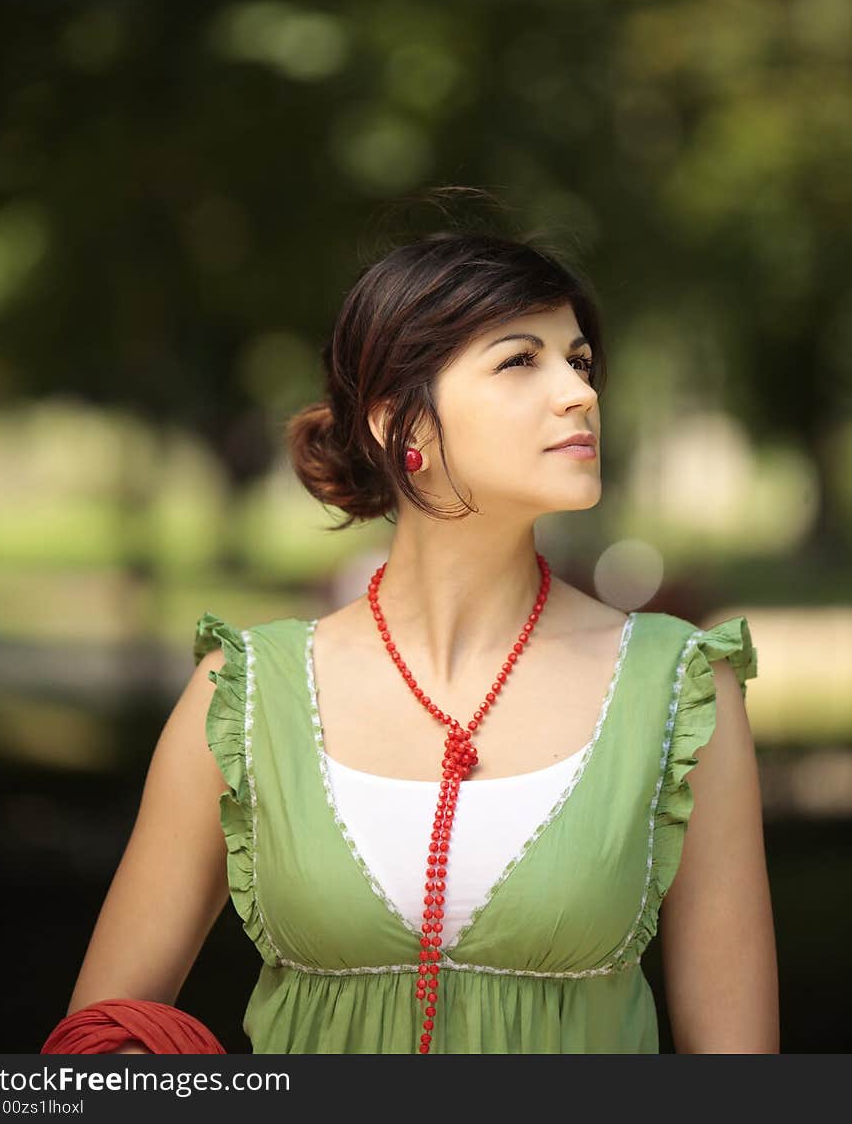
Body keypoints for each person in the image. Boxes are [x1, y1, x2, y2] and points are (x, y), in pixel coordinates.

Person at [64, 227, 780, 1053]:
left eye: (579, 362)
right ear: (397, 420)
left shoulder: (682, 689)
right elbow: (94, 1050)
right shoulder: (246, 694)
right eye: (521, 361)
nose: (580, 393)